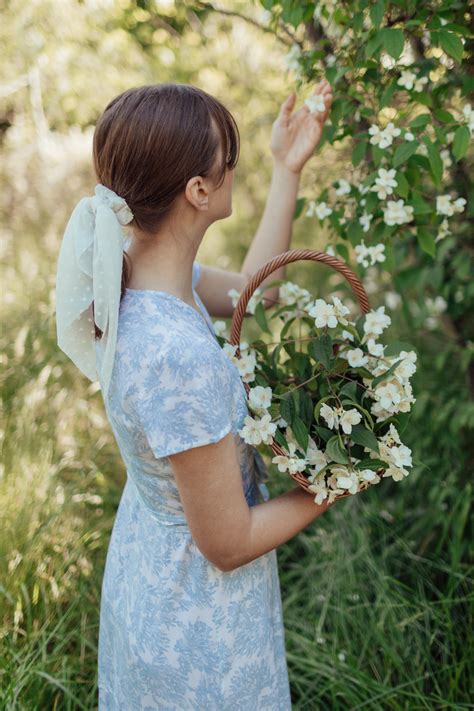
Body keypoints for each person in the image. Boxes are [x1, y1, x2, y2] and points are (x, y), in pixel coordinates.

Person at [55, 80, 333, 710]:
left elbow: (254, 297)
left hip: (150, 563)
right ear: (199, 190)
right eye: (226, 155)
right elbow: (227, 543)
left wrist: (288, 168)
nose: (233, 165)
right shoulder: (177, 356)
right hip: (195, 611)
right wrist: (335, 482)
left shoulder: (135, 273)